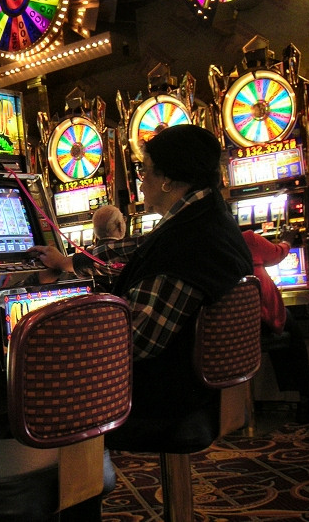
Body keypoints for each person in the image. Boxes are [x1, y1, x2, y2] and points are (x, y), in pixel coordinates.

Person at [29, 124, 253, 440]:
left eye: (145, 171)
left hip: (164, 398)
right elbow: (138, 249)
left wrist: (53, 344)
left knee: (35, 389)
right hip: (202, 387)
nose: (141, 180)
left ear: (168, 180)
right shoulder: (207, 217)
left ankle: (76, 484)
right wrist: (67, 262)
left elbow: (133, 341)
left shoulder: (188, 246)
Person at [242, 228, 309, 422]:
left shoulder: (212, 246)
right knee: (292, 330)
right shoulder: (248, 239)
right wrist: (287, 240)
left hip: (233, 324)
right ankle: (305, 400)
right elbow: (276, 255)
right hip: (261, 319)